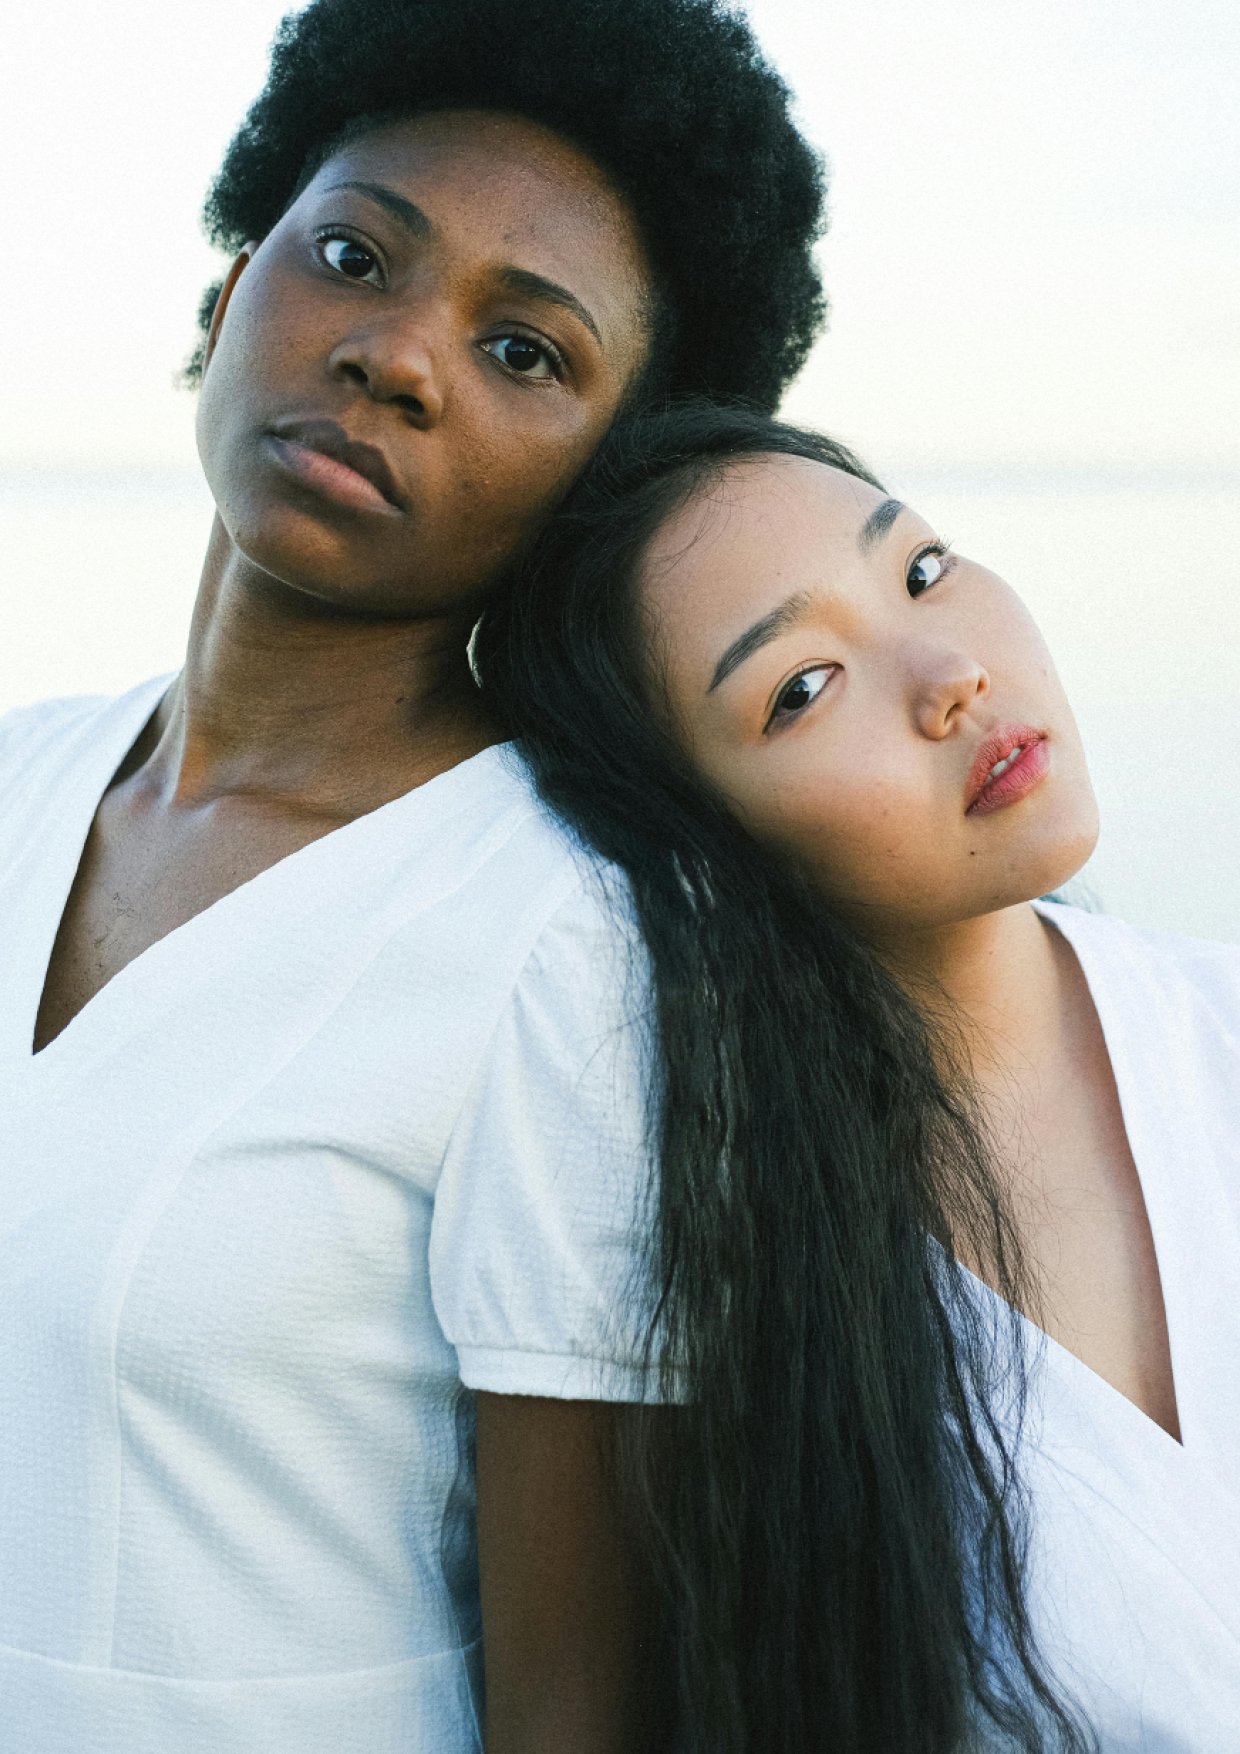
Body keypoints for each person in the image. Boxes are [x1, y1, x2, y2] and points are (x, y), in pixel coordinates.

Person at [0, 5, 827, 1750]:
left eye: (526, 352)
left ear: (598, 491)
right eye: (355, 254)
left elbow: (572, 1704)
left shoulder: (569, 944)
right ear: (232, 292)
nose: (397, 355)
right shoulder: (17, 778)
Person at [475, 401, 1240, 1753]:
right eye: (803, 687)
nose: (950, 671)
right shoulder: (740, 1264)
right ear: (696, 832)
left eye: (923, 569)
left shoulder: (1212, 1025)